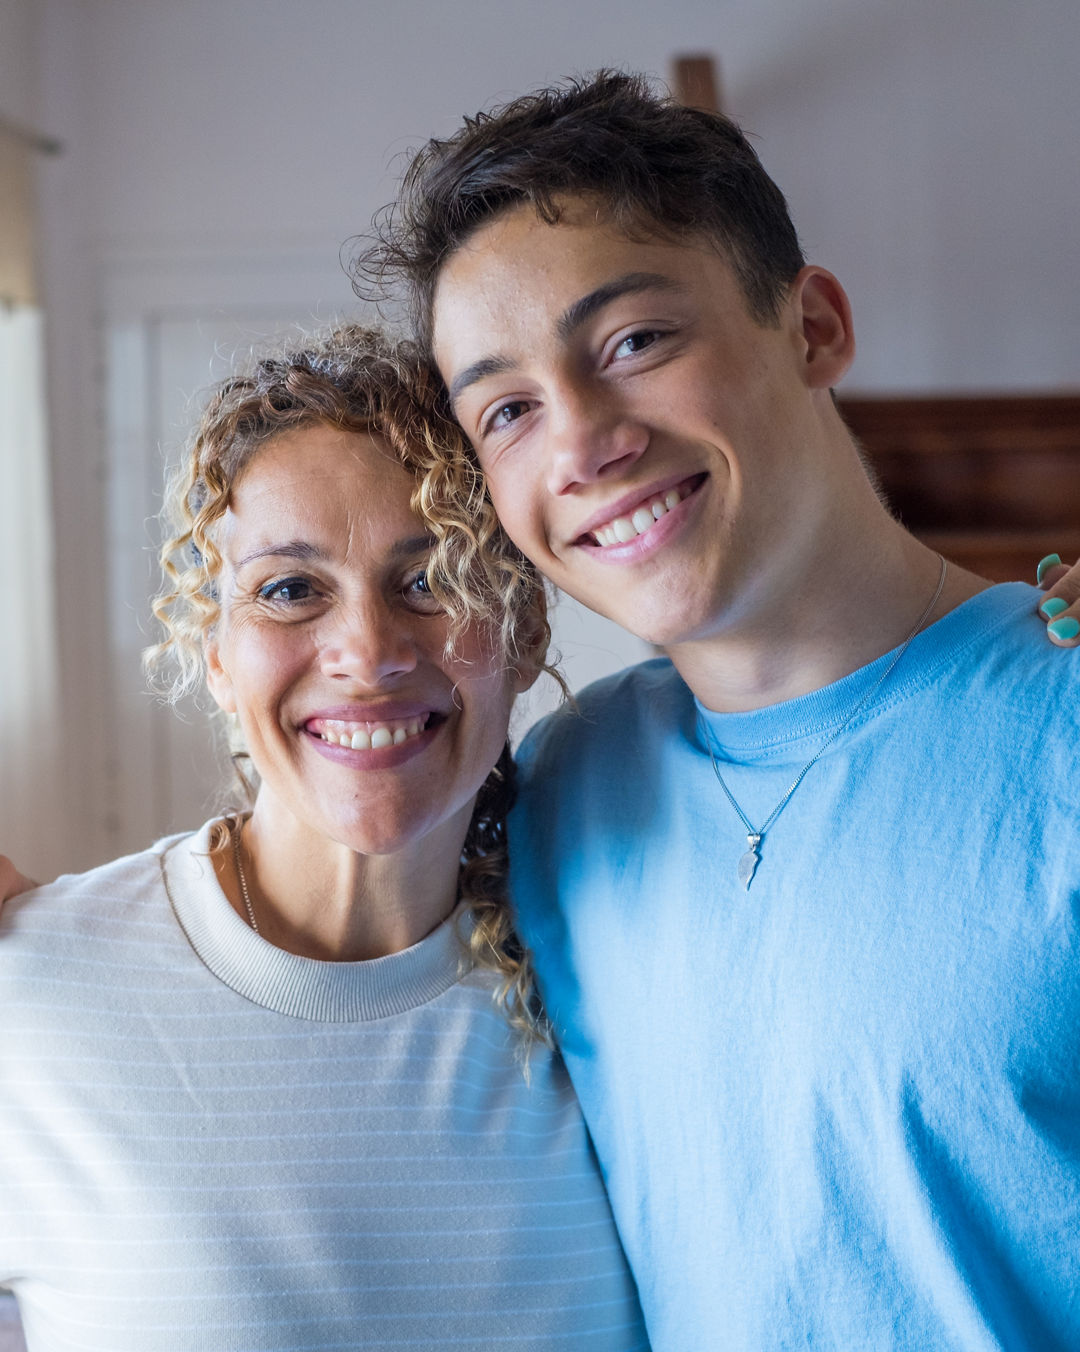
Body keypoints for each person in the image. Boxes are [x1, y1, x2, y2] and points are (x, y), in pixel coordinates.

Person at [352, 72, 1080, 1350]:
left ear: (814, 327)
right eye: (507, 408)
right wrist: (52, 924)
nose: (581, 440)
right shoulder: (558, 792)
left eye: (634, 340)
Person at [0, 326, 649, 1350]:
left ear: (523, 632)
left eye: (430, 577)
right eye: (291, 588)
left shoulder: (626, 981)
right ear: (214, 652)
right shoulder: (30, 995)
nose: (368, 651)